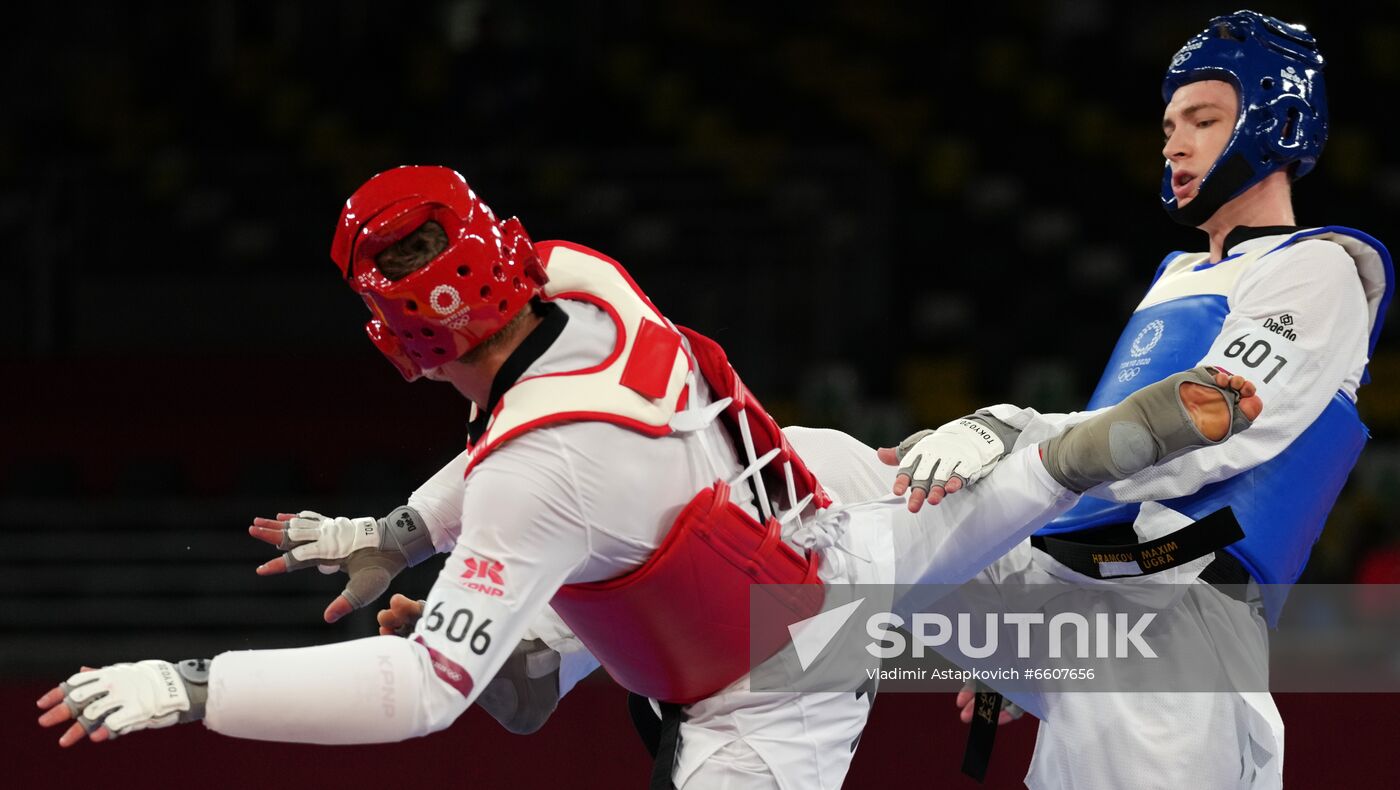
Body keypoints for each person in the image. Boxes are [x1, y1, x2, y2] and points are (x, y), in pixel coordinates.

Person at [36, 165, 1258, 788]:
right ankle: (1053, 437)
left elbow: (420, 692)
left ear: (398, 342)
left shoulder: (532, 476)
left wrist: (194, 684)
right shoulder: (580, 276)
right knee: (1006, 480)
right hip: (823, 502)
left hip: (772, 672)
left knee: (545, 629)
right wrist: (397, 526)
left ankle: (546, 653)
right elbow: (525, 443)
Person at [910, 10, 1391, 789]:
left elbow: (1195, 422)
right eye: (1169, 123)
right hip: (1077, 583)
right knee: (836, 497)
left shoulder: (1322, 269)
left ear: (1278, 123)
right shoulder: (1176, 278)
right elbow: (1107, 443)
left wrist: (1014, 438)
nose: (1173, 144)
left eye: (1203, 119)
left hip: (1176, 616)